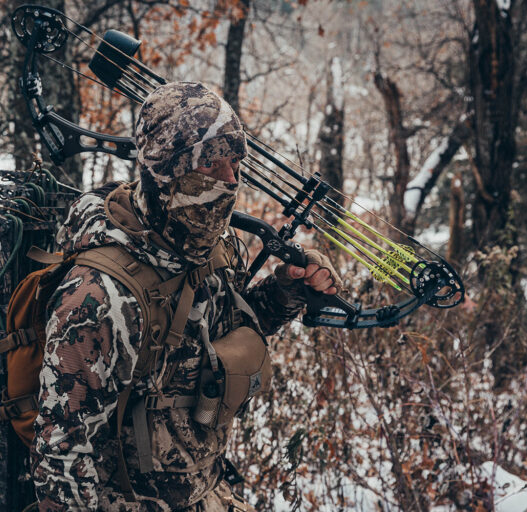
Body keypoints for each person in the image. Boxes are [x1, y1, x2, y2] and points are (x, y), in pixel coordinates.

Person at [30, 82, 342, 511]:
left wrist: (289, 288)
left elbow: (230, 335)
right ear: (169, 172)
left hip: (207, 491)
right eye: (212, 166)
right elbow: (61, 459)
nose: (231, 181)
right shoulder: (98, 299)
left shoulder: (213, 246)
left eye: (236, 163)